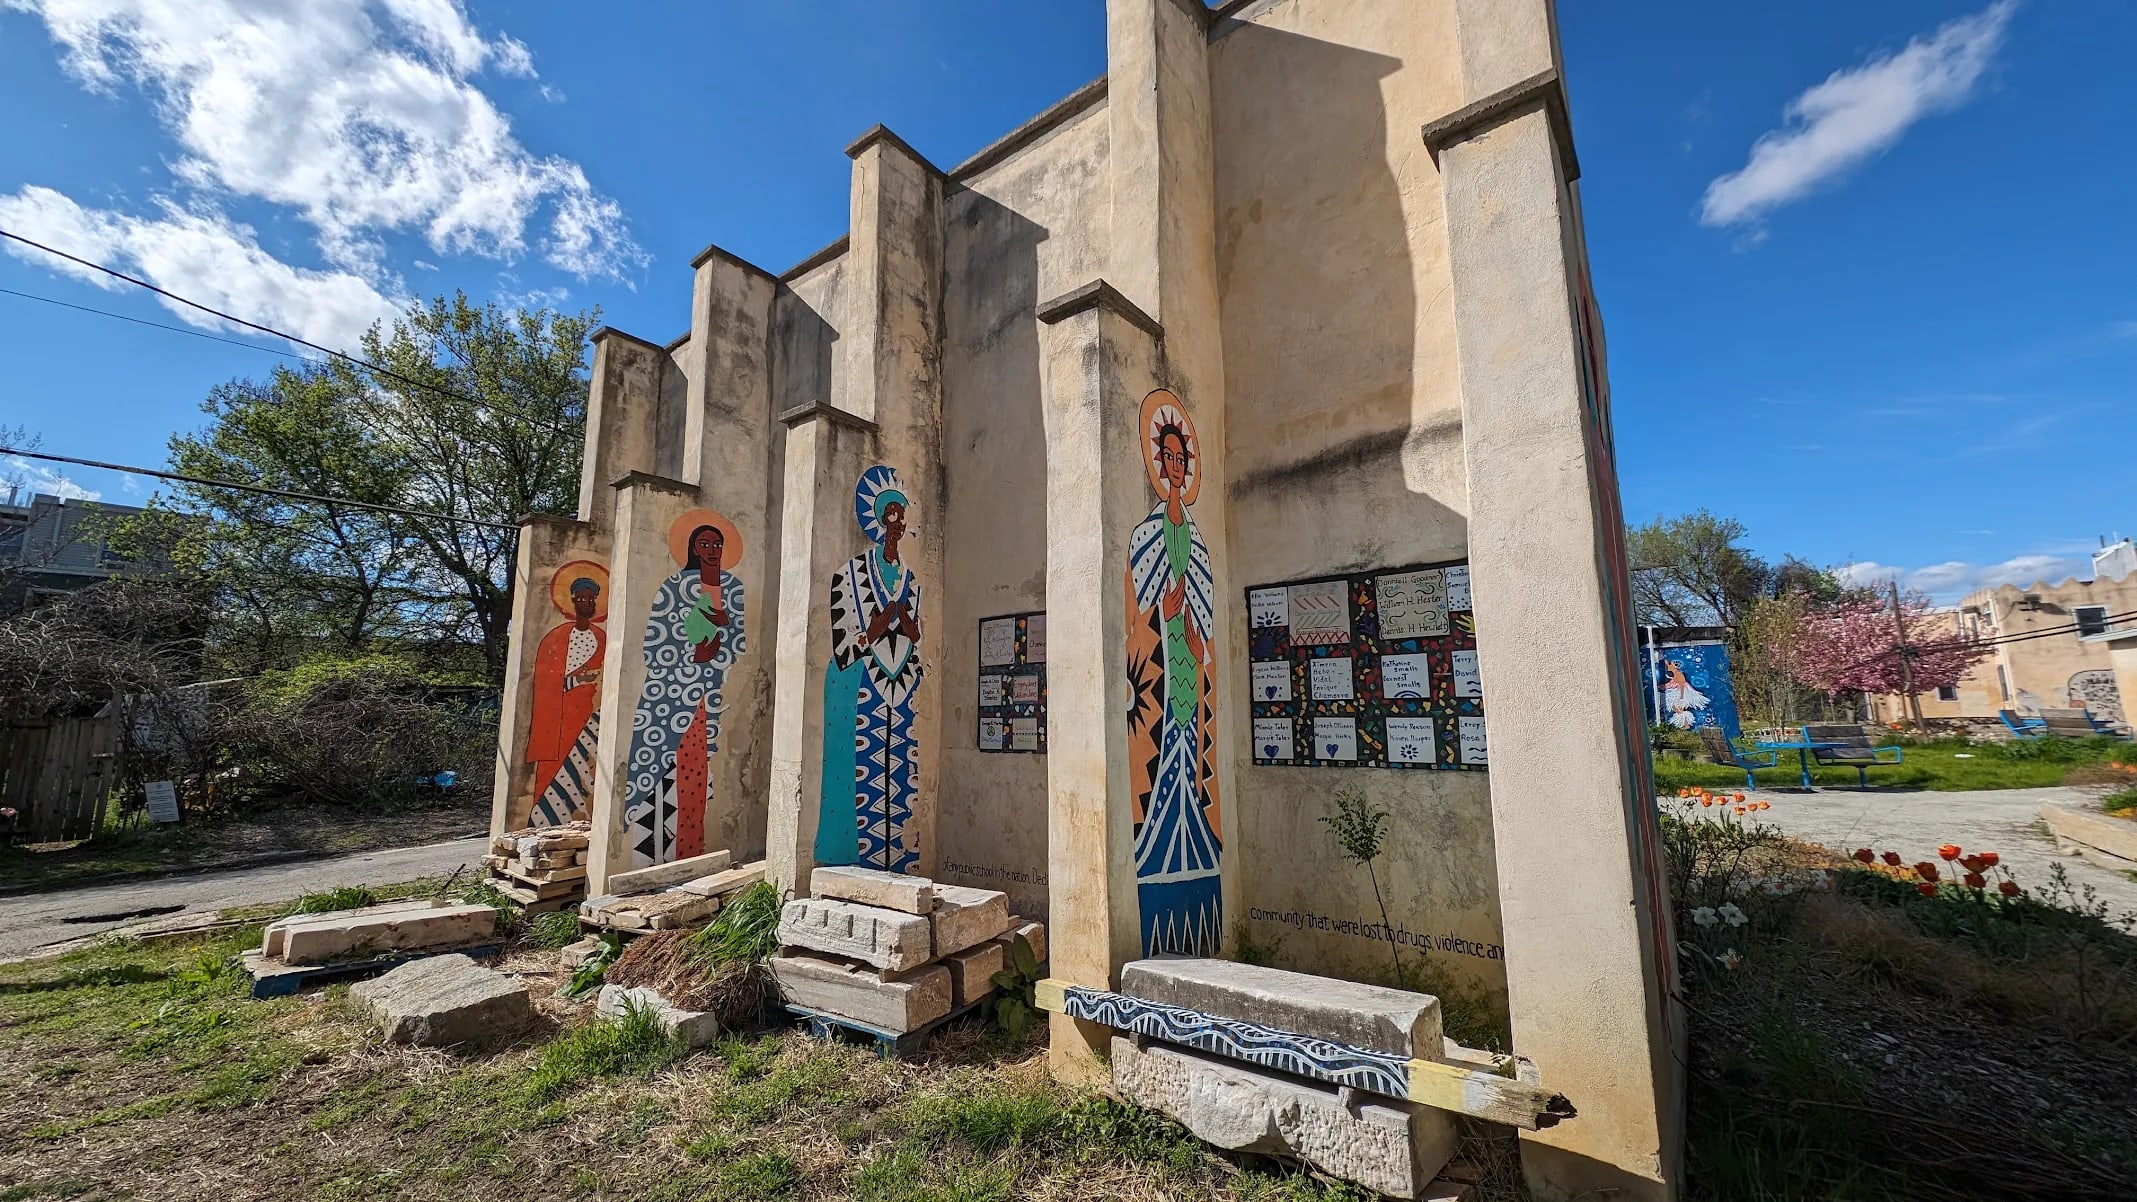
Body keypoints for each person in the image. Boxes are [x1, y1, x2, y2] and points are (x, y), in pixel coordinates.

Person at [1125, 391, 1222, 956]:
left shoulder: (1201, 543)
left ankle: (1195, 855)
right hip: (1160, 669)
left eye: (1183, 458)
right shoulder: (1145, 535)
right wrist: (1165, 612)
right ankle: (1160, 857)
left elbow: (1203, 613)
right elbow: (1139, 605)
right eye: (1168, 458)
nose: (1177, 467)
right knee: (1163, 761)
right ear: (1158, 464)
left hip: (1189, 672)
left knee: (1190, 758)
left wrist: (1193, 631)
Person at [817, 465, 924, 873]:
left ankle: (897, 857)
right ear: (877, 519)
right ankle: (849, 862)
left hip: (902, 687)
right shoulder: (849, 575)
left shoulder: (911, 580)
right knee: (857, 770)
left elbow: (915, 633)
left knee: (900, 768)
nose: (898, 521)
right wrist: (879, 625)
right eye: (891, 513)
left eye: (902, 514)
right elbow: (844, 644)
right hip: (857, 686)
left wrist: (900, 620)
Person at [623, 519, 744, 866]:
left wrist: (722, 638)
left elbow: (739, 643)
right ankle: (651, 859)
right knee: (661, 771)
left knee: (696, 774)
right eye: (704, 544)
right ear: (692, 548)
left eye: (717, 545)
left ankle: (689, 851)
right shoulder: (674, 586)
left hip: (710, 697)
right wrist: (691, 654)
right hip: (668, 698)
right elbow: (653, 643)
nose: (712, 551)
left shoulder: (733, 588)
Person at [525, 573, 604, 826]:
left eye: (590, 599)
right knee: (551, 773)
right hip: (557, 721)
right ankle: (541, 827)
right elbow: (546, 682)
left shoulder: (603, 639)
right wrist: (577, 680)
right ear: (572, 601)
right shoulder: (556, 638)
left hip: (590, 721)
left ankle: (582, 826)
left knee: (584, 774)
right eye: (581, 598)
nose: (586, 603)